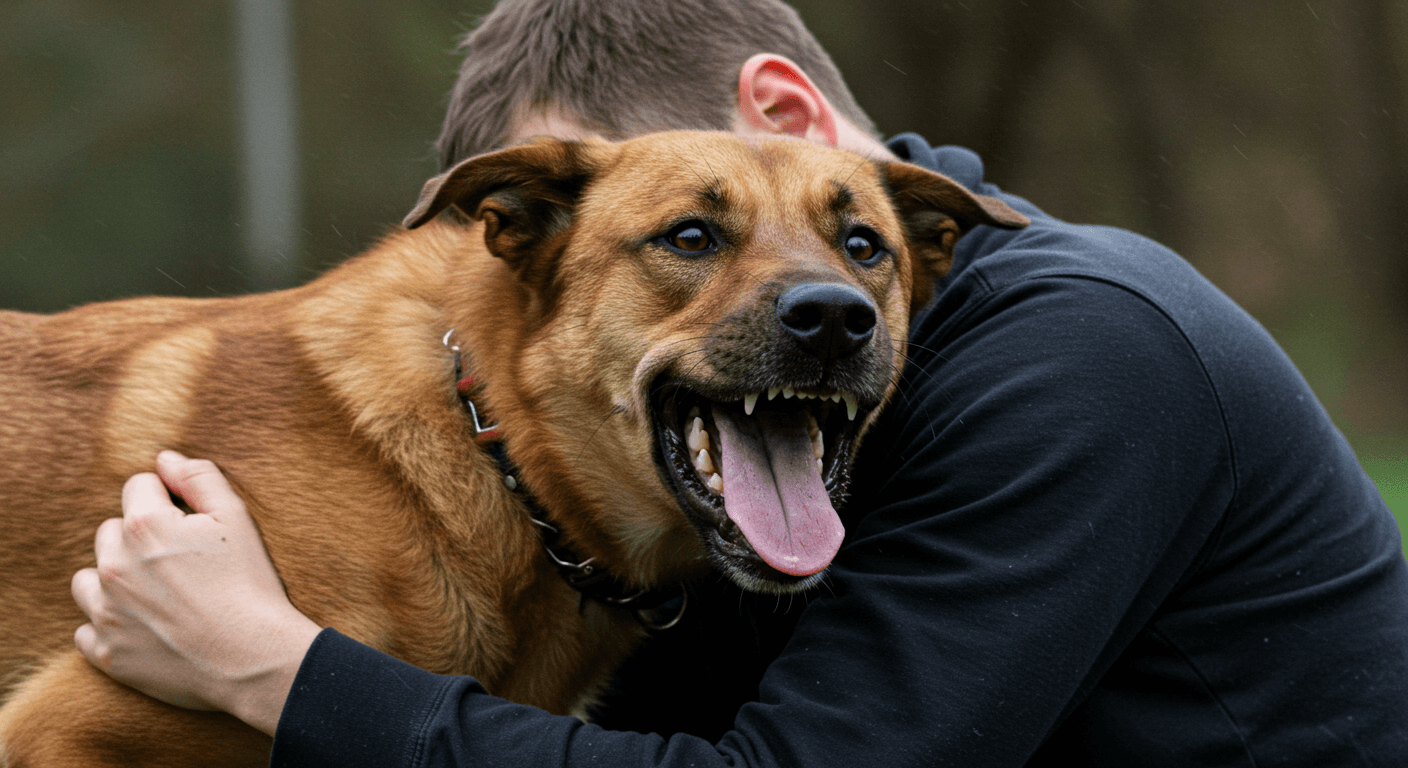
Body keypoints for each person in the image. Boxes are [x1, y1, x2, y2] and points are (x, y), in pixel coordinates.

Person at [70, 0, 1408, 765]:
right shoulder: (674, 485)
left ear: (775, 117)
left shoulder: (1095, 352)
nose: (547, 272)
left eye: (668, 219)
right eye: (537, 241)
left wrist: (279, 669)